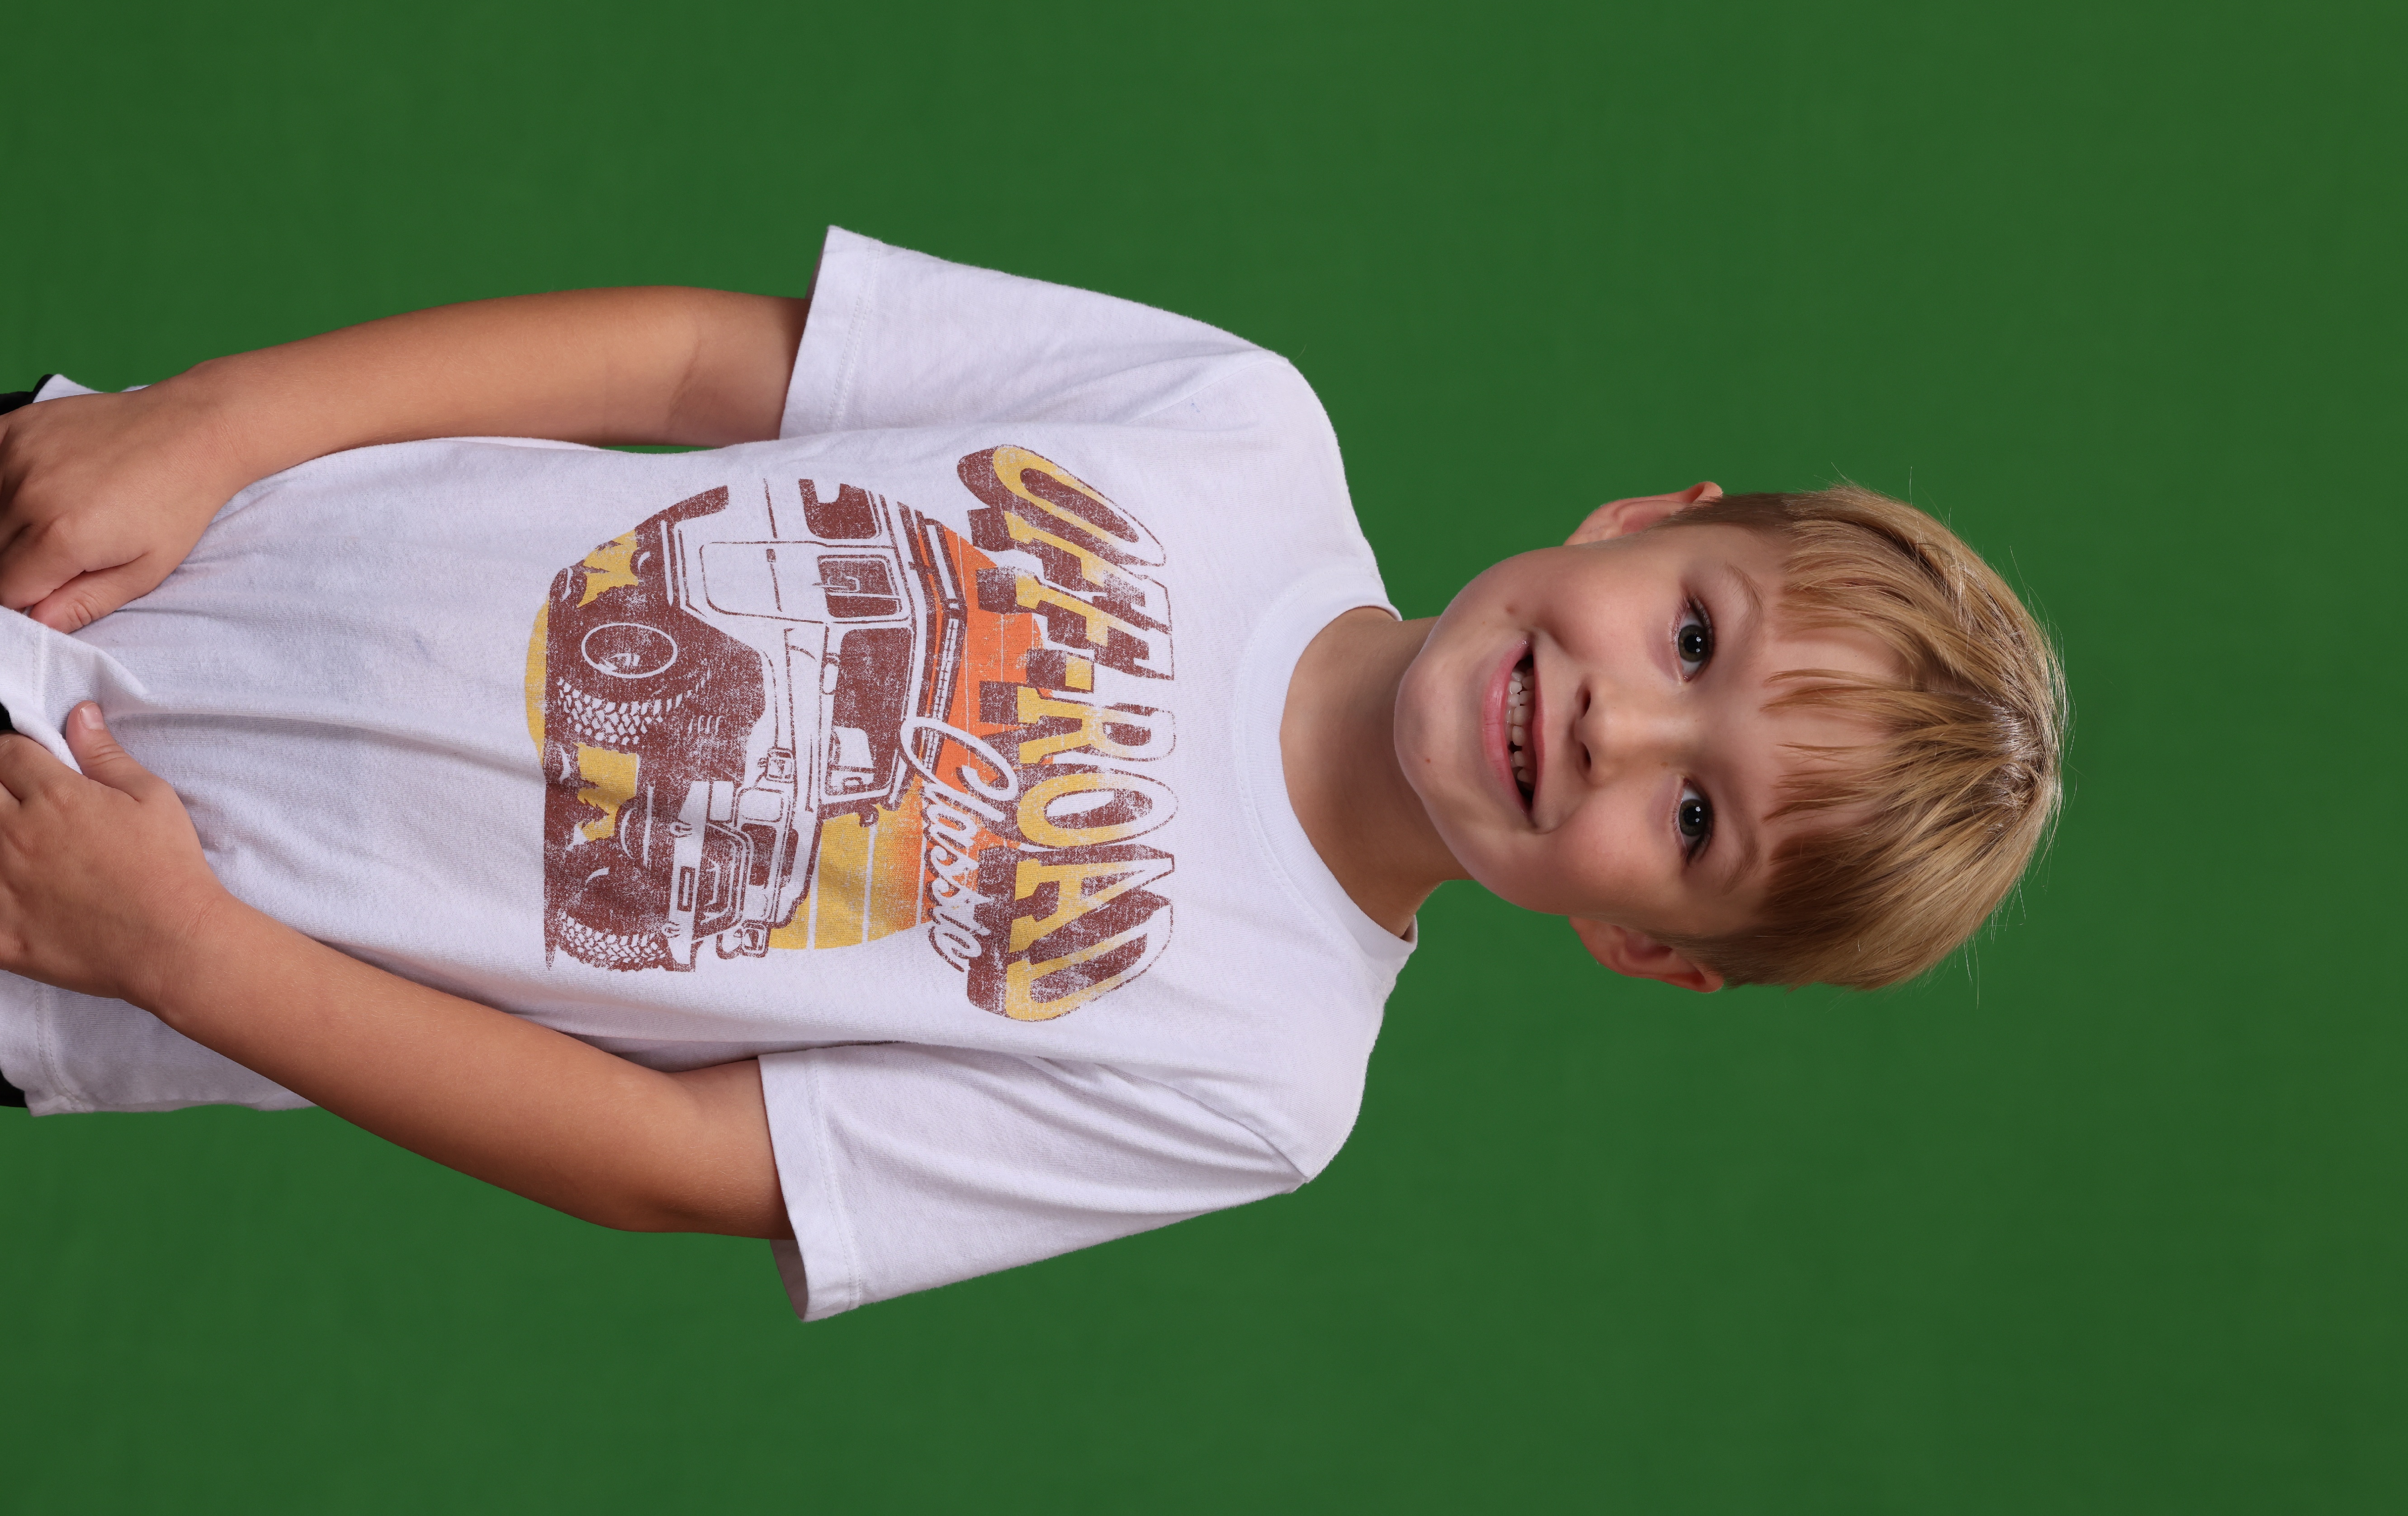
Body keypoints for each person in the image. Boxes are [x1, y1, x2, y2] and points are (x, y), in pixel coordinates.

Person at [0, 230, 2064, 1319]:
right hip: (134, 532)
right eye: (1696, 638)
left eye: (1693, 819)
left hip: (87, 904)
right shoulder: (1237, 426)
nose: (1625, 723)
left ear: (1643, 944)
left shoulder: (1260, 1080)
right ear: (1645, 523)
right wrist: (214, 419)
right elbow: (703, 363)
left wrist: (186, 958)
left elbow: (677, 1156)